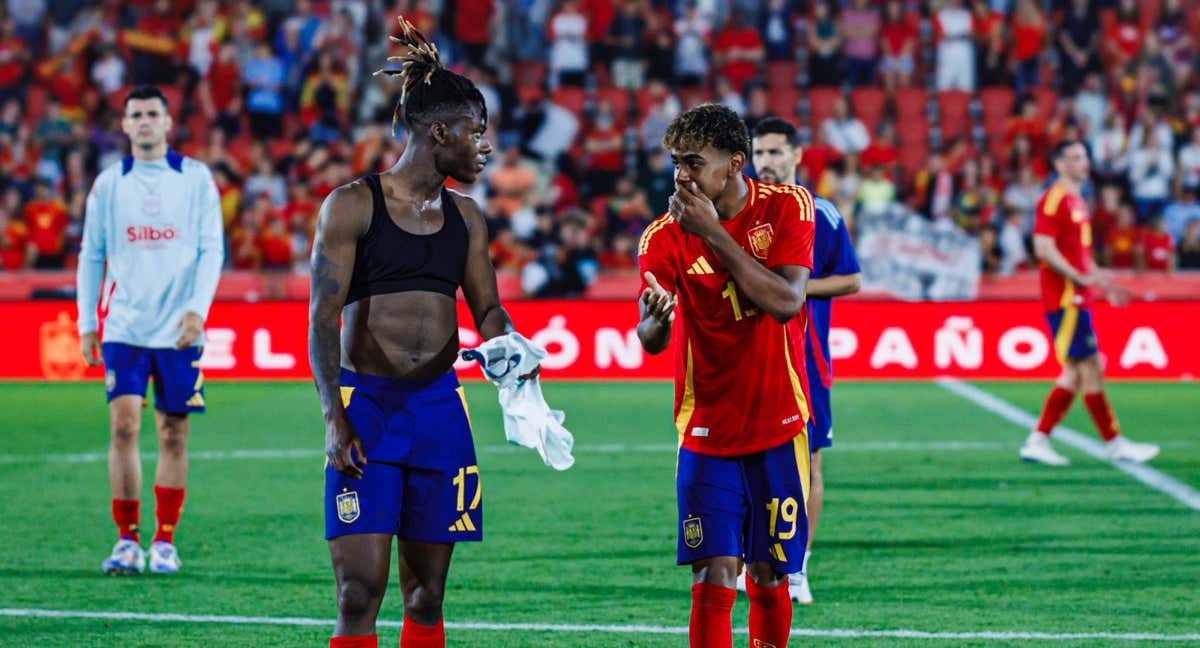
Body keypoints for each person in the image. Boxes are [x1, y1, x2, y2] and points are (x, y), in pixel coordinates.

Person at [308, 18, 527, 648]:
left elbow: (487, 309)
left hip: (439, 412)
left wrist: (507, 344)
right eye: (477, 134)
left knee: (427, 599)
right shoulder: (352, 205)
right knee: (357, 594)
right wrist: (333, 414)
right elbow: (323, 318)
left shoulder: (467, 217)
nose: (485, 147)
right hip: (367, 408)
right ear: (440, 132)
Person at [637, 104, 816, 648]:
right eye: (676, 163)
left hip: (778, 425)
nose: (682, 176)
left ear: (736, 163)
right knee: (712, 574)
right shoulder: (662, 237)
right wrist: (655, 322)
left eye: (695, 162)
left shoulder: (789, 207)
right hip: (706, 429)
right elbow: (648, 337)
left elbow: (786, 301)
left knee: (768, 573)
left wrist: (715, 235)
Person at [75, 85, 224, 575]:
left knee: (173, 433)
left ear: (167, 122)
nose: (142, 121)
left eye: (151, 114)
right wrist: (86, 322)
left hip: (180, 328)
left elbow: (211, 250)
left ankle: (164, 540)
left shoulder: (196, 179)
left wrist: (196, 311)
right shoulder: (109, 184)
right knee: (123, 426)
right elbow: (91, 255)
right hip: (124, 326)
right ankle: (125, 540)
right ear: (124, 125)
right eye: (134, 114)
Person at [734, 116, 861, 605]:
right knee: (745, 462)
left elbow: (850, 281)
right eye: (759, 153)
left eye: (774, 153)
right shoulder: (738, 211)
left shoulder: (821, 214)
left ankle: (799, 566)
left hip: (804, 359)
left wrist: (790, 289)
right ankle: (752, 559)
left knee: (808, 464)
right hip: (747, 357)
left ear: (796, 156)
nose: (765, 162)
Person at [1019, 140, 1160, 466]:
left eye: (1084, 156)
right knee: (1090, 368)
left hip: (1078, 296)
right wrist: (1078, 278)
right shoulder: (1053, 201)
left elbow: (1081, 257)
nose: (1084, 162)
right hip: (1065, 299)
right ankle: (1114, 444)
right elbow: (1044, 248)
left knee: (1076, 372)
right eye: (1076, 157)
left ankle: (1039, 441)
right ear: (1059, 164)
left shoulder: (1078, 202)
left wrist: (1103, 282)